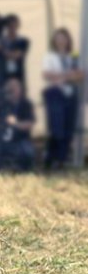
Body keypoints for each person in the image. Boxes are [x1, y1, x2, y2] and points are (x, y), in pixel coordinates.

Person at [42, 27, 84, 169]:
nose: (61, 40)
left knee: (68, 127)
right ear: (54, 40)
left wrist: (61, 76)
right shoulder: (49, 56)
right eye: (58, 37)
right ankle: (50, 156)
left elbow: (80, 74)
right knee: (56, 126)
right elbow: (47, 75)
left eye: (64, 37)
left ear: (68, 40)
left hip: (71, 94)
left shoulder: (74, 55)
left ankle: (61, 159)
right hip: (55, 93)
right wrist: (68, 75)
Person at [0, 14, 30, 89]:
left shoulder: (23, 41)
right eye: (10, 26)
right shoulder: (1, 41)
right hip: (3, 77)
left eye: (14, 25)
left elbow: (17, 55)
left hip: (18, 76)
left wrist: (0, 48)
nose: (12, 28)